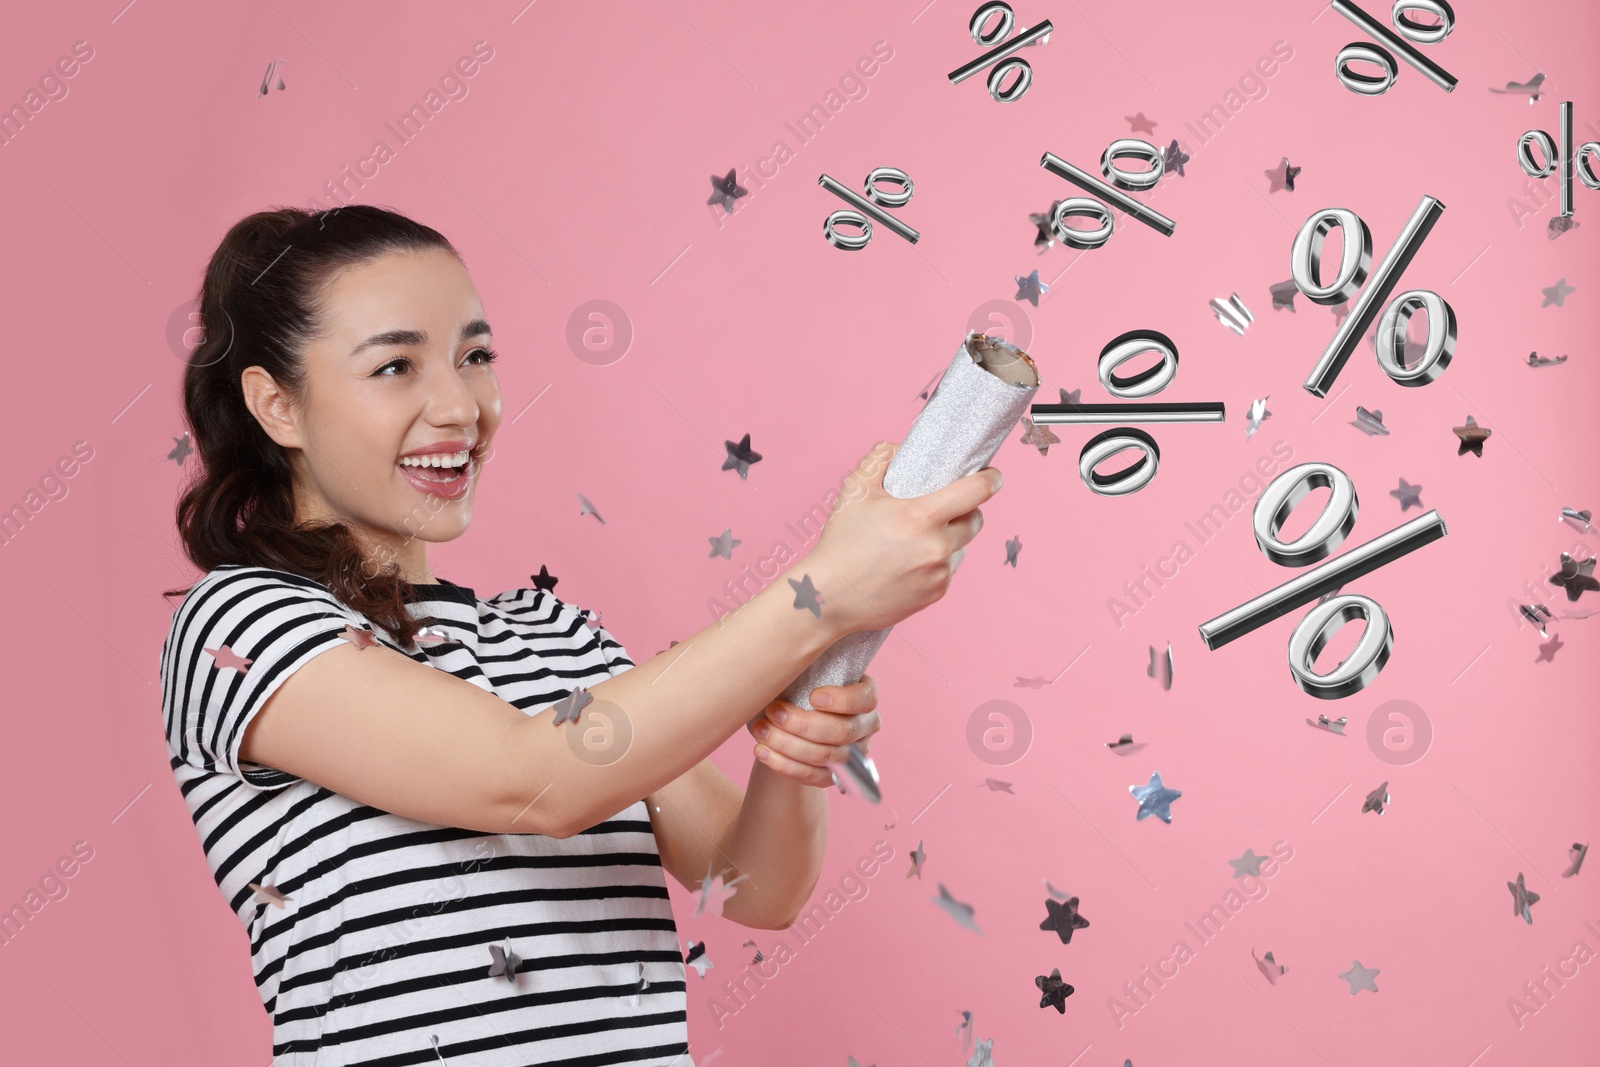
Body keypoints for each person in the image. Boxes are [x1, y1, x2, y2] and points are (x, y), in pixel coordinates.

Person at [158, 203, 1002, 1065]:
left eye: (475, 357)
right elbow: (532, 782)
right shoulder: (242, 627)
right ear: (277, 406)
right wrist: (823, 594)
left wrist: (792, 750)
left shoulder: (556, 635)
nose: (459, 405)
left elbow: (750, 888)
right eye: (395, 366)